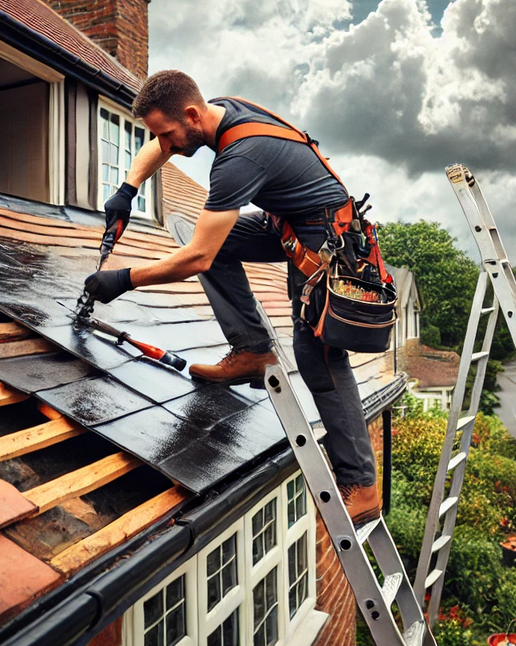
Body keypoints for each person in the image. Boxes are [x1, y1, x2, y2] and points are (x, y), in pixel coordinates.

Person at [85, 70, 380, 525]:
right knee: (212, 238)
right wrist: (128, 189)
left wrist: (123, 280)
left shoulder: (239, 157)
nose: (164, 146)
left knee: (317, 353)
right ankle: (252, 353)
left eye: (167, 135)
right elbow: (157, 146)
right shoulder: (216, 109)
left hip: (326, 238)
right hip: (288, 221)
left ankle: (360, 485)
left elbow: (197, 258)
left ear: (191, 115)